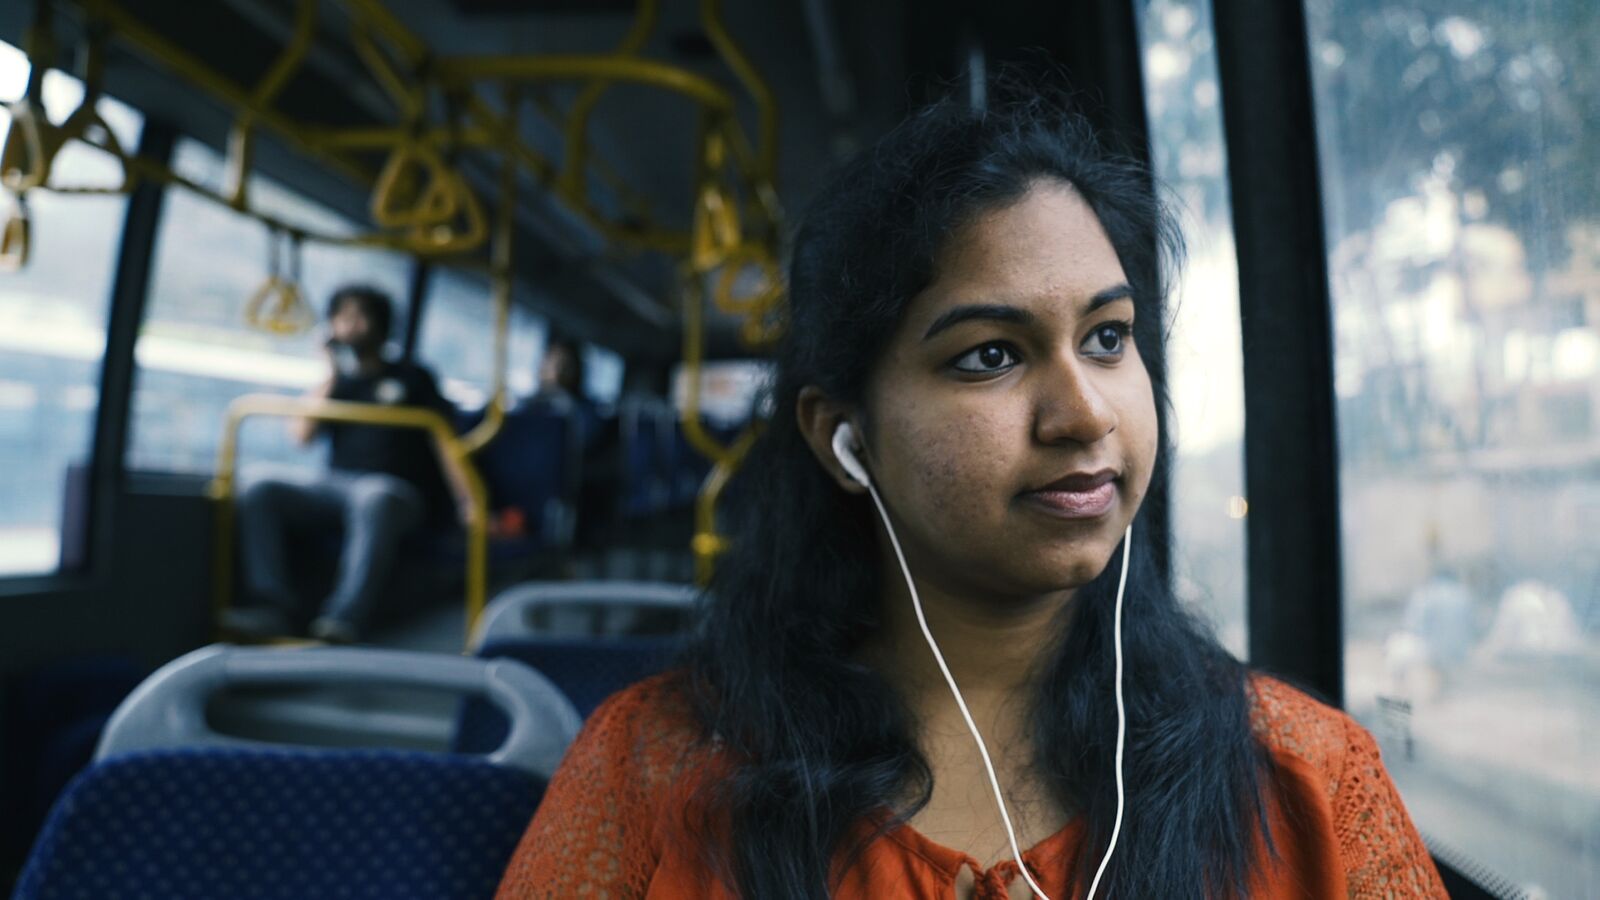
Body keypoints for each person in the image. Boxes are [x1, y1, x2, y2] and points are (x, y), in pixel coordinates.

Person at [496, 81, 1447, 898]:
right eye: (991, 355)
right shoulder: (656, 773)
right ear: (845, 438)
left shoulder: (1313, 779)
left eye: (1109, 339)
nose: (1084, 414)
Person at [224, 285, 469, 644]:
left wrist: (468, 502)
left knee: (375, 497)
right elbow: (302, 436)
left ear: (381, 326)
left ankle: (343, 618)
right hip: (336, 484)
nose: (350, 325)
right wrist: (330, 371)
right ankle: (270, 605)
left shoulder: (413, 377)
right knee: (259, 487)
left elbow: (444, 442)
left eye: (359, 316)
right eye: (342, 317)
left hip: (394, 489)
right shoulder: (336, 383)